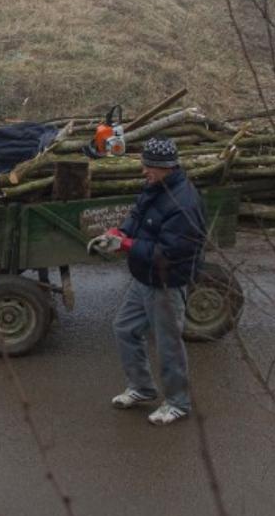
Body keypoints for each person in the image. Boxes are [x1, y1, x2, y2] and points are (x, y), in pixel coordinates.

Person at [87, 137, 207, 426]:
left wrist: (125, 245)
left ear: (166, 167)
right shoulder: (155, 186)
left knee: (168, 345)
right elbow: (138, 214)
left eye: (149, 167)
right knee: (125, 329)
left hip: (166, 283)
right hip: (143, 277)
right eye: (144, 165)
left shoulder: (184, 204)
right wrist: (117, 232)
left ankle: (178, 403)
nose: (144, 171)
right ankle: (142, 388)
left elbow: (167, 253)